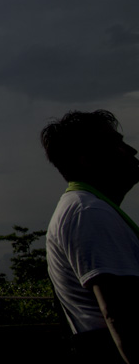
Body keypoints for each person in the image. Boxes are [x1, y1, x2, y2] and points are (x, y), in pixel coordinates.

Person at [42, 110, 139, 363]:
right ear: (86, 159)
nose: (131, 150)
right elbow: (120, 315)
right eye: (116, 143)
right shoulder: (89, 212)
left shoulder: (85, 207)